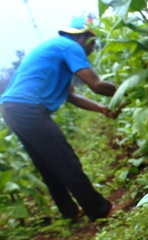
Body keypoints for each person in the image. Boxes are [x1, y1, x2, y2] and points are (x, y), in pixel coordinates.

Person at [0, 16, 119, 221]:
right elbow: (96, 85)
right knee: (65, 160)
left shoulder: (56, 49)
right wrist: (125, 91)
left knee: (47, 164)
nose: (92, 50)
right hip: (28, 109)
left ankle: (70, 213)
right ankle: (100, 210)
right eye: (93, 43)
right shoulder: (69, 47)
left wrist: (101, 109)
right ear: (83, 37)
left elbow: (70, 96)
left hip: (11, 108)